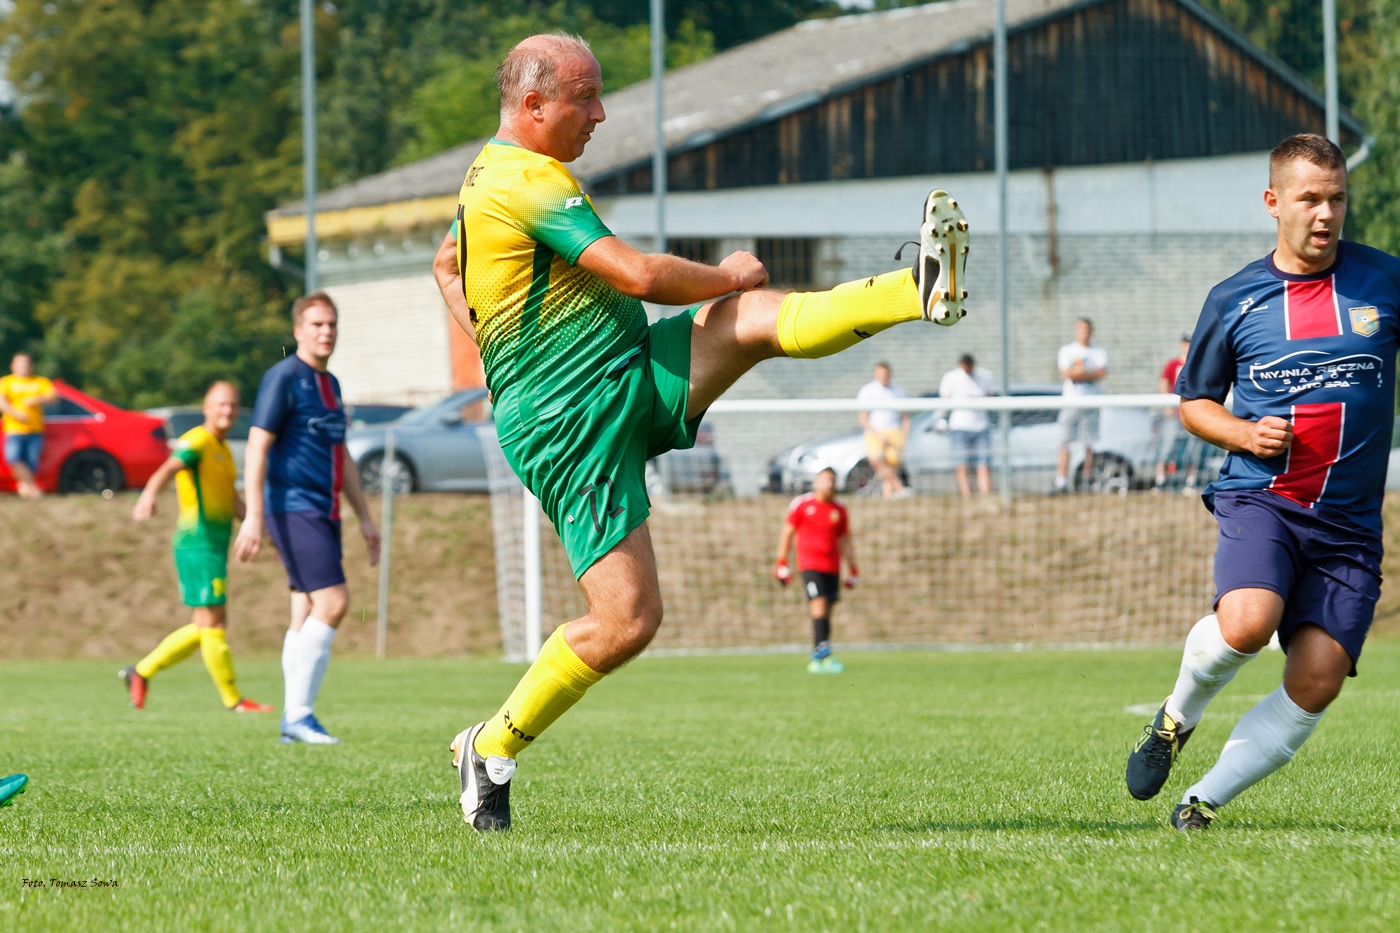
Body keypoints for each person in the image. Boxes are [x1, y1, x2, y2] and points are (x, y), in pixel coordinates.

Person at [432, 33, 969, 831]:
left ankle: (917, 284)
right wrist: (728, 273)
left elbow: (446, 263)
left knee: (749, 322)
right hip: (569, 424)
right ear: (534, 105)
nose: (601, 113)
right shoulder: (521, 179)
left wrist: (492, 344)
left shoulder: (493, 173)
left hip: (625, 371)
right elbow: (641, 277)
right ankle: (492, 745)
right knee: (628, 621)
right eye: (586, 98)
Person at [1124, 134, 1400, 831]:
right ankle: (1175, 716)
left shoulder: (1383, 281)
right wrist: (1245, 433)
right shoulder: (1236, 298)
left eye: (1337, 197)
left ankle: (1202, 801)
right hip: (1265, 496)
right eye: (1310, 198)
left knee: (1316, 679)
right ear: (1273, 202)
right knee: (1249, 622)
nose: (1325, 212)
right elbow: (1194, 401)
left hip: (1350, 524)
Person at [233, 292, 381, 746]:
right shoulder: (283, 378)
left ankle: (292, 723)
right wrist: (253, 516)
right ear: (298, 330)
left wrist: (365, 519)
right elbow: (257, 446)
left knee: (303, 610)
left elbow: (343, 456)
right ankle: (298, 715)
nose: (326, 331)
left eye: (331, 324)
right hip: (292, 507)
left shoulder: (331, 384)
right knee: (333, 603)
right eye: (317, 324)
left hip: (325, 510)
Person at [119, 382, 274, 714]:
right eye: (221, 404)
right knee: (214, 622)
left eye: (233, 405)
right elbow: (170, 466)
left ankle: (141, 672)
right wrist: (148, 495)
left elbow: (231, 499)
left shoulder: (223, 450)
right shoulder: (197, 441)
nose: (227, 411)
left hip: (214, 546)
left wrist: (258, 527)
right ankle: (234, 701)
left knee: (208, 623)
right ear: (206, 408)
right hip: (197, 544)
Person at [774, 467, 858, 673]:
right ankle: (820, 657)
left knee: (827, 611)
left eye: (832, 480)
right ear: (816, 482)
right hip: (810, 566)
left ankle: (822, 655)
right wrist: (781, 562)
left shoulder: (839, 509)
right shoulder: (802, 505)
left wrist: (853, 569)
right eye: (824, 480)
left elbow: (846, 541)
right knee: (818, 605)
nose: (828, 484)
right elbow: (787, 533)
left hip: (832, 567)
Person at [1052, 319, 1108, 493]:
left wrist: (1080, 372)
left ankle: (1086, 481)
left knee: (1090, 444)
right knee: (1065, 442)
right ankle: (1061, 481)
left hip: (1091, 404)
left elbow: (1101, 372)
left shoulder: (1099, 352)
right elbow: (1067, 373)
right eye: (1081, 329)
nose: (1084, 332)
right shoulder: (1067, 350)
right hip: (1071, 404)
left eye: (1087, 329)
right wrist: (1088, 373)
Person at [0, 352, 58, 498]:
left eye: (26, 364)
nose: (24, 367)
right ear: (13, 366)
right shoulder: (6, 382)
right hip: (14, 429)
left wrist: (37, 399)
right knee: (12, 457)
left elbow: (54, 397)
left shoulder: (40, 382)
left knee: (31, 463)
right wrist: (15, 413)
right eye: (20, 364)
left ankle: (25, 488)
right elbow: (1, 402)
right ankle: (33, 488)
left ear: (31, 366)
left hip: (35, 429)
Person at [938, 353, 997, 498]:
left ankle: (985, 495)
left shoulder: (986, 376)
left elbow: (991, 397)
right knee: (961, 463)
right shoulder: (951, 377)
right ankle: (967, 496)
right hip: (959, 427)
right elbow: (944, 400)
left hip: (981, 426)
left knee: (984, 463)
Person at [1154, 334, 1204, 491]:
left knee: (1192, 446)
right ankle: (1160, 479)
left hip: (1191, 413)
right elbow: (1164, 382)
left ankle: (1191, 479)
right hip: (1174, 413)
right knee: (1167, 445)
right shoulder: (1173, 364)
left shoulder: (1197, 364)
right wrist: (1166, 405)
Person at [857, 362, 911, 498]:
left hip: (895, 432)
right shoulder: (868, 391)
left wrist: (905, 435)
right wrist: (878, 434)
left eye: (886, 373)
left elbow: (905, 417)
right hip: (875, 432)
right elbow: (863, 418)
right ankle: (901, 489)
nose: (883, 376)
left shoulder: (899, 391)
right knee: (877, 460)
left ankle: (888, 497)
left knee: (892, 466)